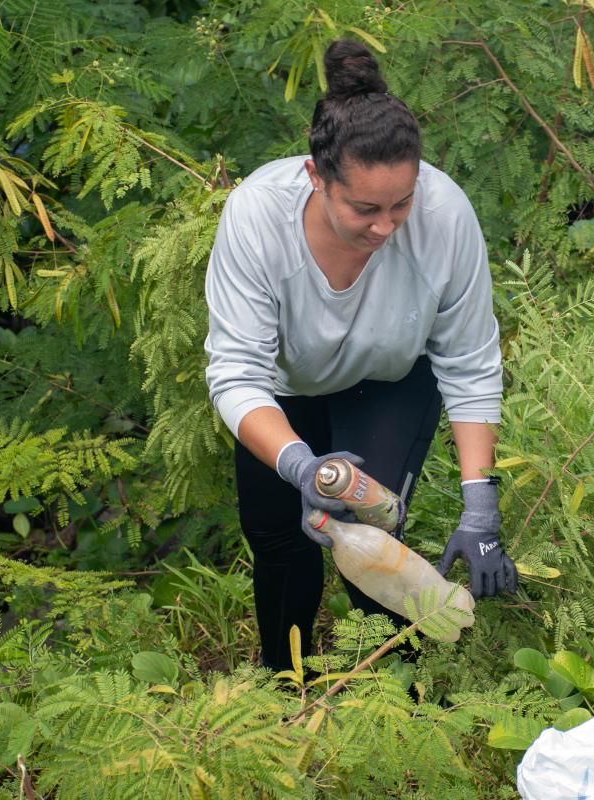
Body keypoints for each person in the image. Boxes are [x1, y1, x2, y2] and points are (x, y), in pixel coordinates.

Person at [203, 39, 518, 671]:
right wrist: (297, 466)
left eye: (401, 203)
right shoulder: (257, 218)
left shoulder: (445, 215)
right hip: (284, 391)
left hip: (390, 381)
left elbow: (469, 362)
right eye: (364, 209)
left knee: (369, 536)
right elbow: (237, 374)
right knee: (279, 538)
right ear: (316, 177)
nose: (388, 226)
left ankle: (395, 696)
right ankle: (281, 686)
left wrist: (480, 503)